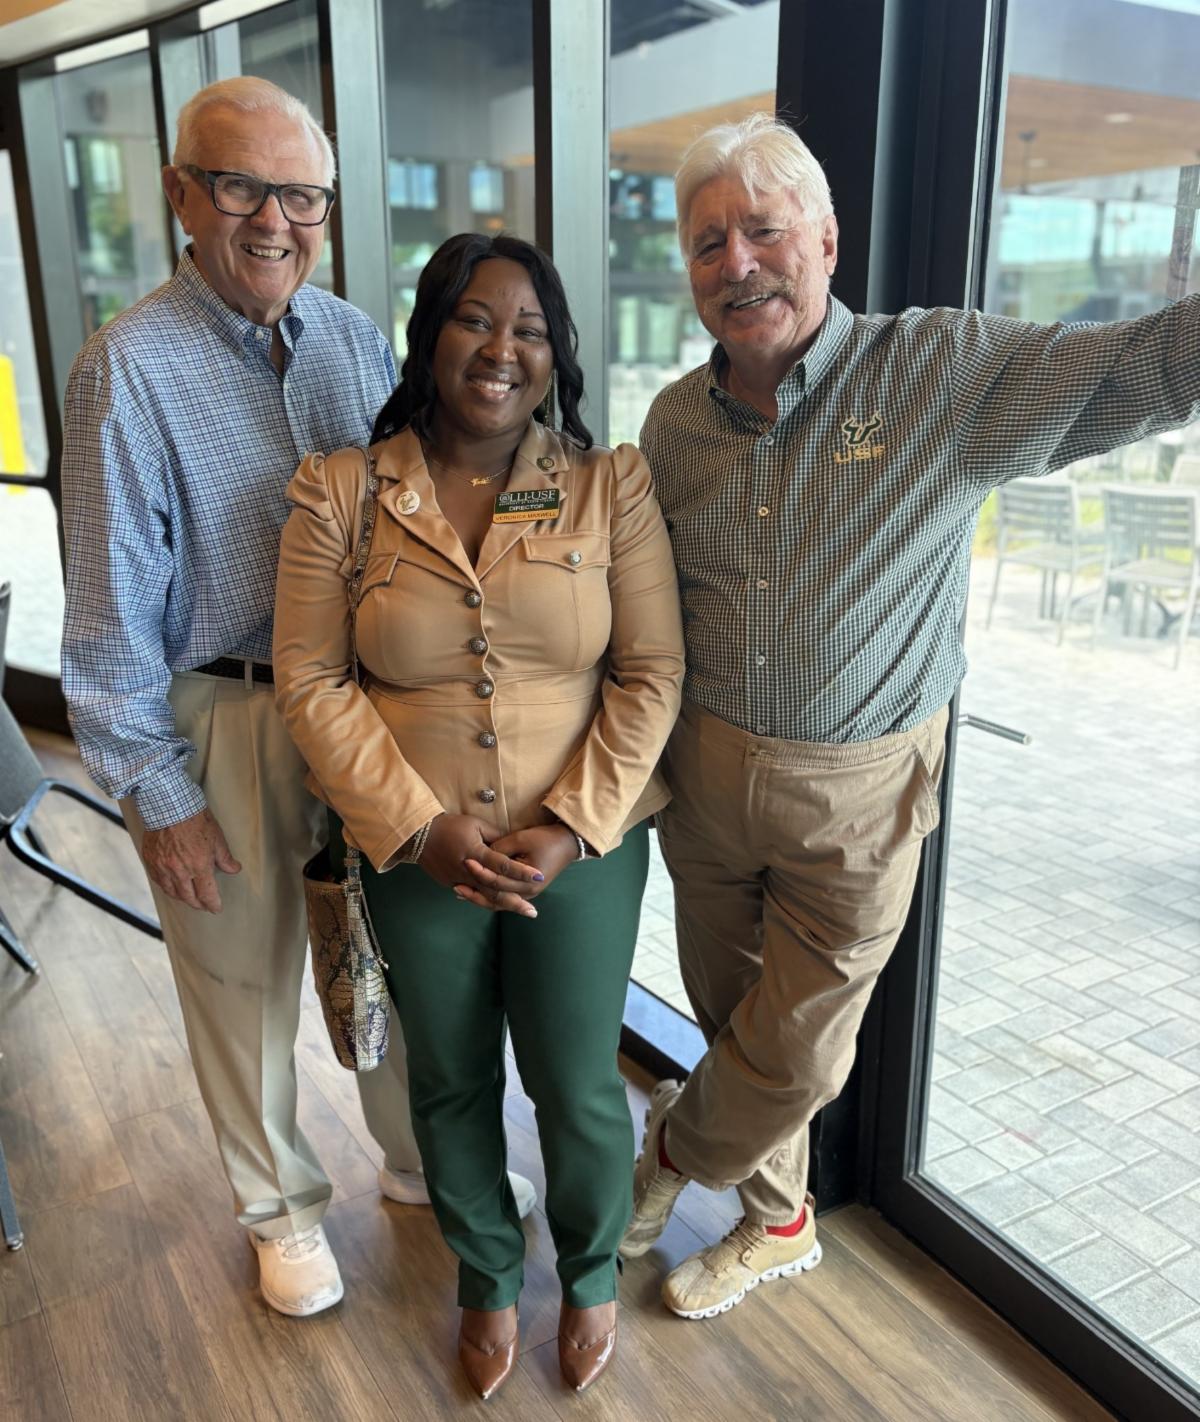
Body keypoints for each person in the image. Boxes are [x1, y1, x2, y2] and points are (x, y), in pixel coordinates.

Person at [621, 112, 1200, 1320]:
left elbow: (1135, 369)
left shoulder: (936, 371)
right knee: (733, 1021)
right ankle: (780, 1223)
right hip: (703, 787)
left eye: (763, 230)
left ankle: (674, 1150)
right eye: (708, 242)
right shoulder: (673, 425)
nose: (736, 263)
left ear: (827, 241)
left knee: (799, 1047)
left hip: (859, 797)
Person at [58, 77, 534, 1321]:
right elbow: (107, 614)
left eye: (303, 195)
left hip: (370, 702)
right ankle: (279, 1209)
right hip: (224, 708)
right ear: (183, 196)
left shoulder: (353, 338)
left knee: (393, 945)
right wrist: (158, 796)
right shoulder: (124, 368)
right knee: (241, 980)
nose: (275, 220)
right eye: (242, 187)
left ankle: (420, 1157)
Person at [273, 232, 684, 1396]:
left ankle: (590, 1274)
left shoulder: (610, 487)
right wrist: (418, 826)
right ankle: (488, 1276)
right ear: (431, 333)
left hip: (583, 851)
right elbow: (309, 679)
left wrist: (573, 825)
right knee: (448, 1077)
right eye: (476, 319)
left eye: (532, 331)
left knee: (577, 1078)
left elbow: (652, 672)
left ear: (556, 356)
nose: (504, 349)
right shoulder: (340, 492)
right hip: (417, 855)